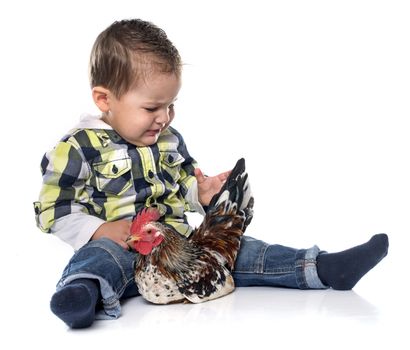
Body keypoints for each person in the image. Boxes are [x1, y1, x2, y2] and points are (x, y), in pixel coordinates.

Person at [34, 19, 389, 329]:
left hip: (179, 247)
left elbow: (183, 179)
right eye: (152, 107)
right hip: (123, 249)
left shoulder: (169, 139)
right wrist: (98, 230)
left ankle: (323, 267)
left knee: (242, 252)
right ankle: (80, 295)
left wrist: (200, 192)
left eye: (171, 105)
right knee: (96, 261)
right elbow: (54, 210)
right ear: (104, 99)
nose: (165, 117)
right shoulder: (77, 148)